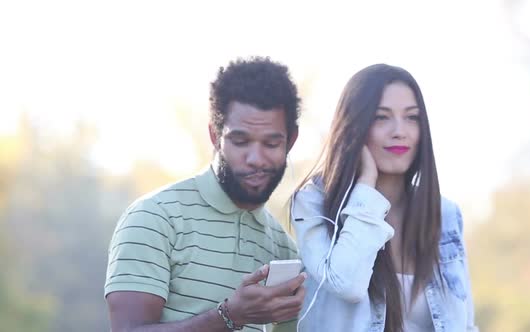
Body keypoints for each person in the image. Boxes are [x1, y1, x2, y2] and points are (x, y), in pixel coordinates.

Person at [105, 57, 306, 332]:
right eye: (240, 141)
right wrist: (229, 316)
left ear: (291, 141)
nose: (256, 158)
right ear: (215, 135)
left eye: (271, 143)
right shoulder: (155, 218)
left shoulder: (285, 248)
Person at [290, 64, 478, 332]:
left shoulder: (445, 215)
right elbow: (347, 283)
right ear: (354, 126)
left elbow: (467, 324)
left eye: (412, 118)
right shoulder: (314, 204)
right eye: (381, 117)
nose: (399, 131)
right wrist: (365, 185)